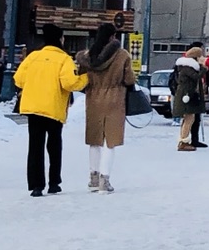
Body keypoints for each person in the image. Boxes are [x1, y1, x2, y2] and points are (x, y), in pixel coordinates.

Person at [14, 24, 86, 197]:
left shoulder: (33, 57)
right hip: (53, 108)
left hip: (33, 107)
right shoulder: (64, 60)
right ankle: (54, 182)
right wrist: (85, 78)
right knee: (54, 145)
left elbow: (18, 79)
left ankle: (36, 186)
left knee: (35, 146)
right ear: (60, 39)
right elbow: (69, 83)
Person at [76, 22, 131, 193]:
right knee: (110, 141)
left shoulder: (87, 56)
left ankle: (93, 178)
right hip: (114, 100)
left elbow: (81, 79)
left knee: (94, 140)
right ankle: (104, 181)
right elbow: (129, 79)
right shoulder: (122, 55)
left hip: (93, 100)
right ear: (113, 37)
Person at [170, 45, 207, 150]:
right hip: (186, 96)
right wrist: (203, 67)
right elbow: (196, 76)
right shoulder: (187, 68)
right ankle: (184, 141)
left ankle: (184, 140)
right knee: (189, 119)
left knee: (189, 118)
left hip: (187, 95)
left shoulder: (184, 67)